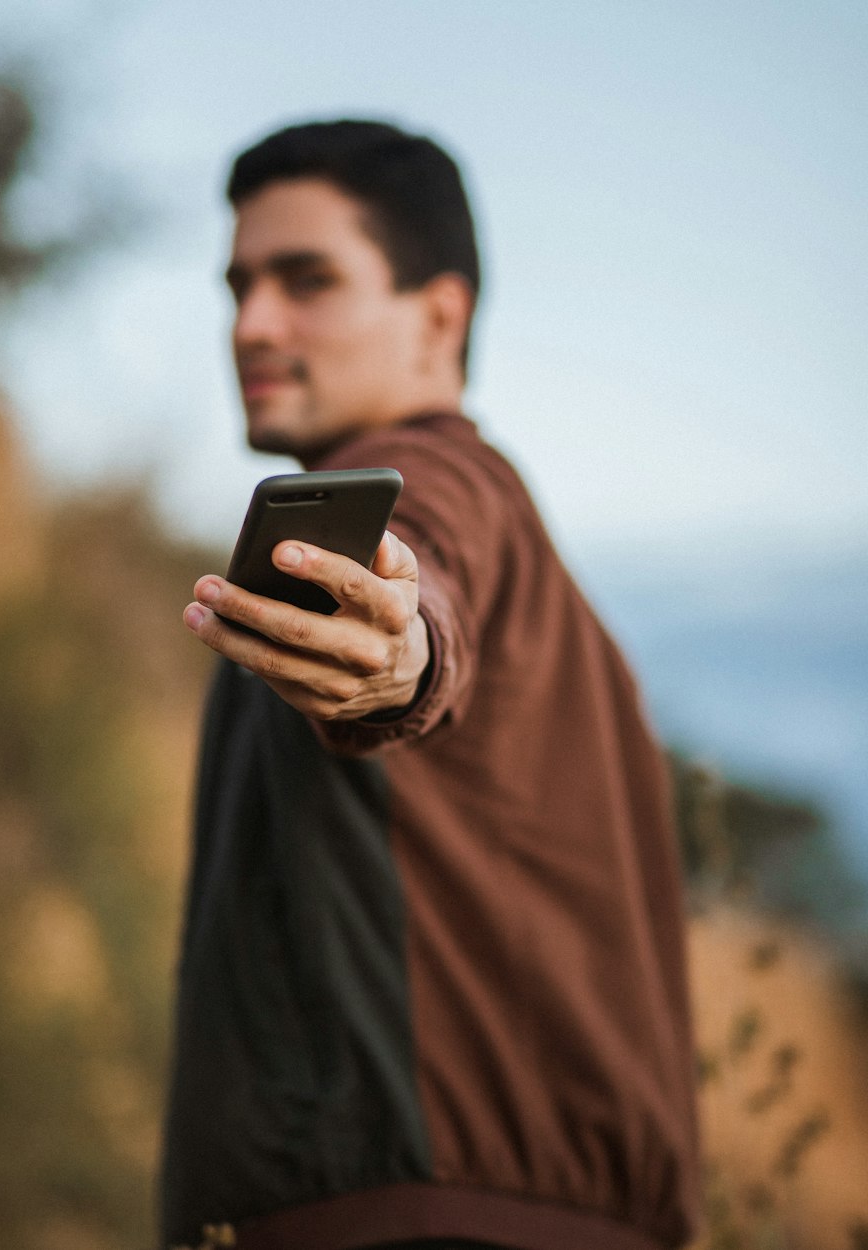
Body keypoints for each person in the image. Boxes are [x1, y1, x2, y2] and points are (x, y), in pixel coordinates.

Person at [161, 119, 701, 1250]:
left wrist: (396, 657)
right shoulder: (546, 577)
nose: (251, 323)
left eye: (305, 279)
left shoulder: (453, 487)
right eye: (240, 285)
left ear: (439, 316)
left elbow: (425, 585)